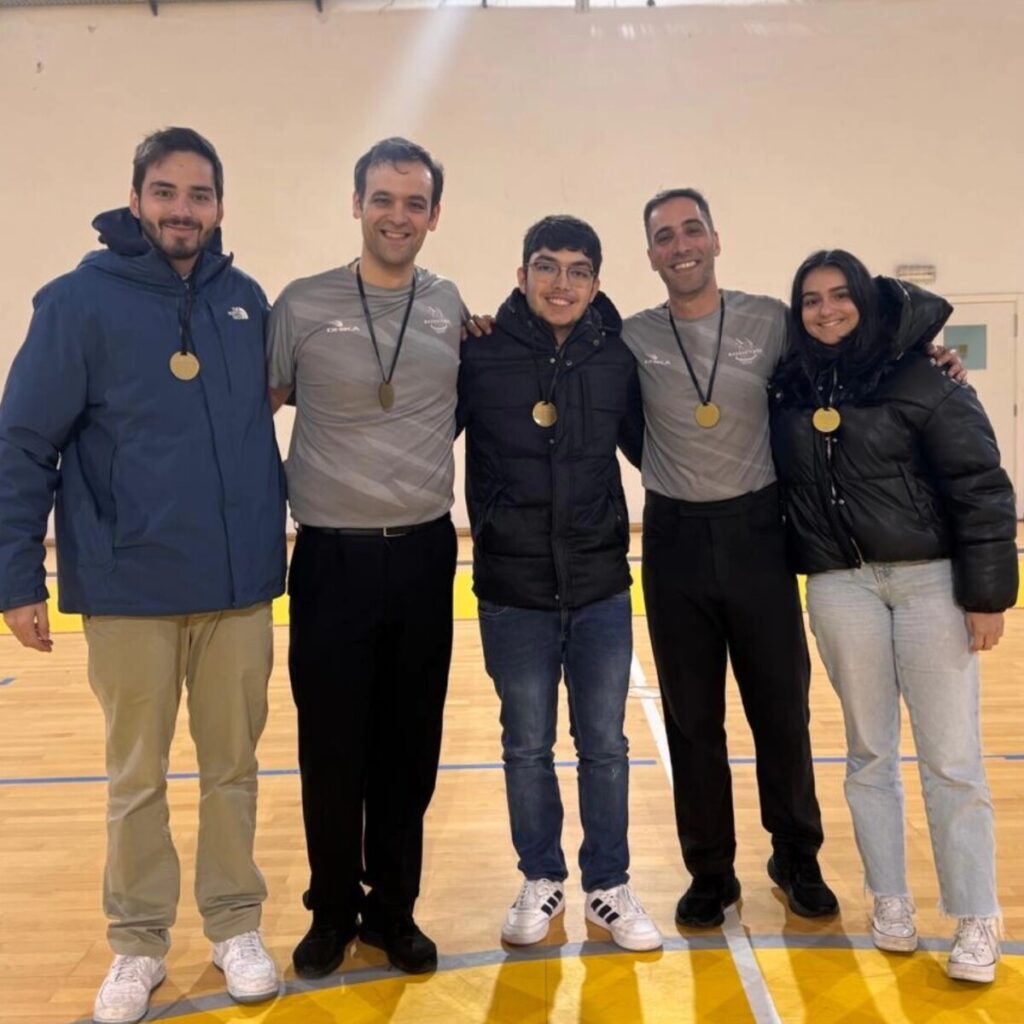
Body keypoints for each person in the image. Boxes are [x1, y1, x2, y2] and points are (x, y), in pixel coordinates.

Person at [0, 127, 286, 1024]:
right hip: (128, 589)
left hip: (236, 588)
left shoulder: (247, 302)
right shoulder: (78, 304)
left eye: (199, 195)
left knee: (233, 770)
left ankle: (236, 923)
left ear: (221, 207)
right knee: (136, 778)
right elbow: (22, 444)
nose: (182, 210)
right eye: (165, 192)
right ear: (134, 200)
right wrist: (16, 578)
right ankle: (138, 944)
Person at [769, 249, 1016, 983]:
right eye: (811, 300)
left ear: (867, 302)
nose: (826, 310)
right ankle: (892, 899)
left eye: (840, 296)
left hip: (928, 582)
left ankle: (975, 914)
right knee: (869, 754)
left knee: (951, 759)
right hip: (840, 586)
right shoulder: (784, 385)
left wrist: (988, 596)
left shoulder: (924, 376)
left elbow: (980, 484)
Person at [267, 137, 465, 979]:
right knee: (333, 748)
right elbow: (257, 408)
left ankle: (394, 912)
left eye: (414, 203)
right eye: (383, 199)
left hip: (424, 555)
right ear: (357, 205)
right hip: (331, 562)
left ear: (433, 216)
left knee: (409, 749)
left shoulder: (451, 304)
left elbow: (454, 406)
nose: (398, 215)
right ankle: (331, 909)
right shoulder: (303, 304)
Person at [620, 188, 839, 928]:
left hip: (758, 534)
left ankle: (795, 856)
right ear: (649, 254)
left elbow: (840, 361)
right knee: (693, 719)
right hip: (675, 540)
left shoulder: (770, 321)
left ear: (717, 239)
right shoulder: (632, 336)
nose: (679, 245)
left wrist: (933, 357)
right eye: (663, 236)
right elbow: (618, 418)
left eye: (691, 230)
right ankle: (710, 870)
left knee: (782, 710)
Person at [458, 215, 660, 952]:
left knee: (604, 744)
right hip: (513, 590)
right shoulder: (478, 353)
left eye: (578, 269)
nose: (562, 283)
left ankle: (608, 885)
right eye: (547, 266)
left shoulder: (618, 357)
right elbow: (416, 427)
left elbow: (655, 444)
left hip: (602, 581)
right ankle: (541, 877)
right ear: (521, 276)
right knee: (526, 744)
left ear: (597, 282)